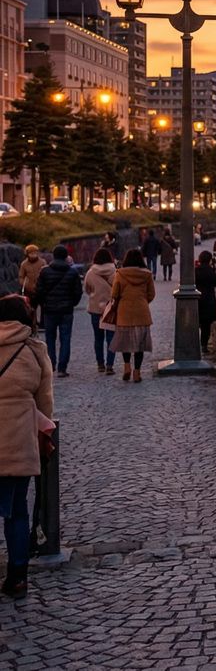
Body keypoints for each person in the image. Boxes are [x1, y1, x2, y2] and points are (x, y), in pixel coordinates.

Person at [0, 294, 54, 599]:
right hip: (19, 440)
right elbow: (44, 402)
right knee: (16, 511)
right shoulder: (34, 349)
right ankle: (18, 576)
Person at [33, 246, 83, 377]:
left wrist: (43, 303)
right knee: (65, 338)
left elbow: (39, 291)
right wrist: (72, 303)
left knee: (50, 338)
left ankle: (51, 364)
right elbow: (78, 292)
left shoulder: (45, 272)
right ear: (66, 256)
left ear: (53, 256)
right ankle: (62, 368)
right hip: (66, 310)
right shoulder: (73, 272)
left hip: (49, 310)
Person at [110, 248, 155, 383]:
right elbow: (151, 294)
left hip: (124, 312)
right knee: (139, 345)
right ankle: (137, 373)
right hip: (142, 312)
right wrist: (142, 301)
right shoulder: (147, 275)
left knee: (126, 343)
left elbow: (114, 294)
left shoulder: (120, 274)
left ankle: (126, 367)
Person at [83, 247, 118, 375]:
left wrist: (95, 294)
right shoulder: (115, 272)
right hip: (110, 308)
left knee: (98, 338)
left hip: (95, 308)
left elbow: (87, 289)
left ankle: (100, 364)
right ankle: (110, 365)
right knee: (111, 338)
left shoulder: (90, 272)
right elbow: (118, 289)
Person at [196, 250, 216, 353]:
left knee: (196, 323)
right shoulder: (209, 271)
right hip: (207, 301)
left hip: (197, 300)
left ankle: (195, 345)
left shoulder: (195, 271)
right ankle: (203, 345)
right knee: (206, 326)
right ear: (209, 260)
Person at [17, 246, 46, 327]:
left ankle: (43, 323)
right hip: (29, 289)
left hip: (41, 288)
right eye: (31, 253)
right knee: (32, 307)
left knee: (43, 306)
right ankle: (33, 322)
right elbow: (21, 276)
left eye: (35, 253)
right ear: (27, 254)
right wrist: (25, 284)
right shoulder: (24, 264)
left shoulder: (42, 262)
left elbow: (46, 273)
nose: (33, 255)